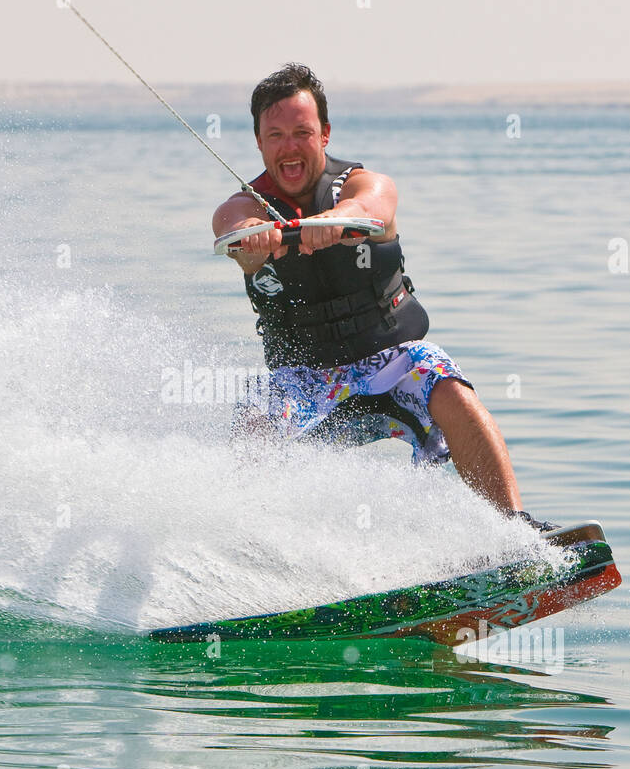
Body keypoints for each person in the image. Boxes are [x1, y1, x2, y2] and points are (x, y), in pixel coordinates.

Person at [212, 63, 555, 531]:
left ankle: (516, 531)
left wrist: (341, 218)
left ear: (325, 134)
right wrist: (254, 237)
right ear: (258, 141)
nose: (289, 147)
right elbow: (233, 232)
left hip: (389, 364)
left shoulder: (363, 184)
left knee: (442, 376)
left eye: (302, 132)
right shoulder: (243, 206)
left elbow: (373, 204)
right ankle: (249, 549)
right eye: (275, 135)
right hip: (305, 381)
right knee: (255, 411)